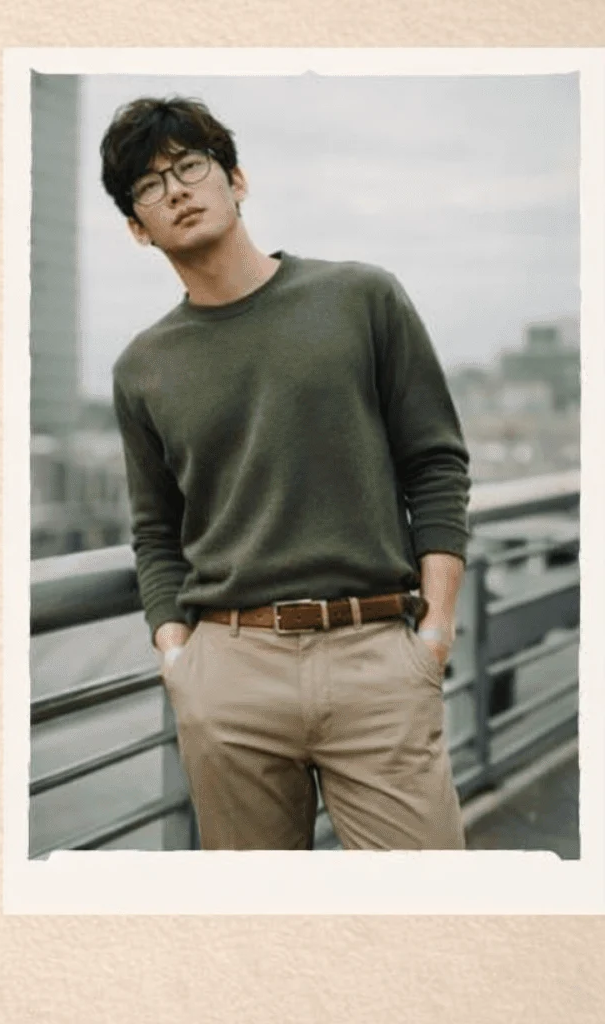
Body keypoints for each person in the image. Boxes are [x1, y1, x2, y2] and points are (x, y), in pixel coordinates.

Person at [104, 96, 471, 850]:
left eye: (190, 166)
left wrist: (435, 630)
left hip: (375, 653)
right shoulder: (142, 367)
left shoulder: (360, 297)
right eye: (148, 186)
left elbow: (434, 464)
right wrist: (177, 657)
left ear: (236, 180)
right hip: (229, 670)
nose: (176, 191)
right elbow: (155, 532)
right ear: (139, 228)